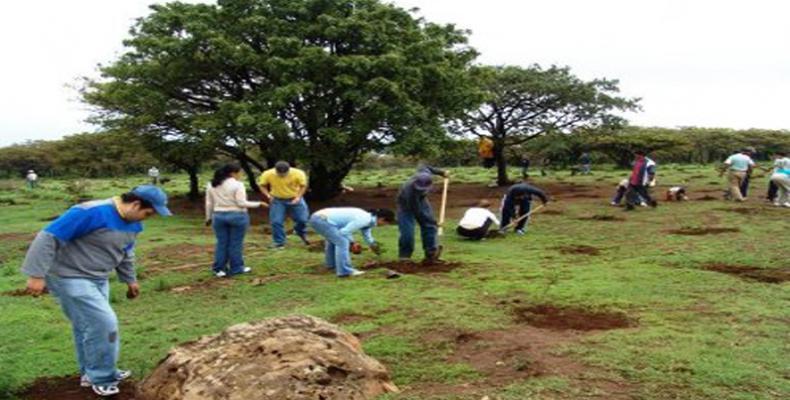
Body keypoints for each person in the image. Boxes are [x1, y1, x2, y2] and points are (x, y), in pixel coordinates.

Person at [20, 185, 171, 397]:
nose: (147, 218)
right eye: (148, 213)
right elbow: (48, 237)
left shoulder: (133, 223)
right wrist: (36, 275)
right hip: (69, 276)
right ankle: (102, 377)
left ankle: (90, 373)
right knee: (104, 323)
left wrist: (130, 279)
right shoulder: (90, 211)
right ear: (136, 204)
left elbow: (126, 252)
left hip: (98, 277)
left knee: (87, 326)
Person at [205, 164, 267, 277]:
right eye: (240, 172)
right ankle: (237, 268)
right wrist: (259, 204)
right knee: (235, 243)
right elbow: (241, 203)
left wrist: (208, 217)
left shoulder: (212, 184)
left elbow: (209, 202)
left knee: (222, 243)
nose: (241, 175)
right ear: (233, 173)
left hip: (218, 215)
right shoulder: (238, 185)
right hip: (237, 215)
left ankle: (219, 269)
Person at [309, 208, 395, 277]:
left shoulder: (368, 219)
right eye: (386, 223)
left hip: (319, 217)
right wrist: (352, 243)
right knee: (342, 242)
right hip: (322, 220)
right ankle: (345, 271)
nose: (384, 225)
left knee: (334, 241)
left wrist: (373, 245)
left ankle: (331, 265)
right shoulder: (364, 219)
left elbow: (367, 235)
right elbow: (344, 232)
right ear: (382, 219)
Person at [397, 165, 448, 262]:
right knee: (407, 231)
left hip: (421, 200)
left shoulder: (425, 173)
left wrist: (442, 172)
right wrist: (433, 221)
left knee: (429, 226)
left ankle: (431, 254)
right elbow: (417, 211)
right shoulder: (409, 191)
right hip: (405, 205)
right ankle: (405, 256)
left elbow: (426, 166)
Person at [259, 161, 310, 249]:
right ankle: (279, 243)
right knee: (276, 221)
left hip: (294, 197)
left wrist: (298, 197)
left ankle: (300, 232)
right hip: (277, 199)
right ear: (275, 170)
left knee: (302, 219)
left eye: (284, 174)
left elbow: (303, 186)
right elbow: (262, 185)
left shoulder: (298, 173)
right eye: (279, 174)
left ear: (289, 170)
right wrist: (268, 195)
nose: (282, 175)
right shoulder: (268, 174)